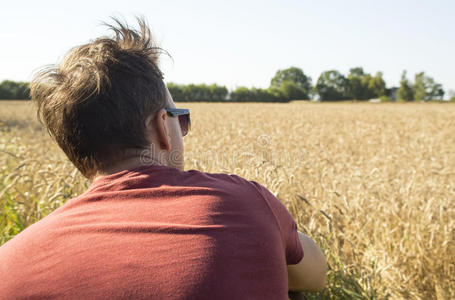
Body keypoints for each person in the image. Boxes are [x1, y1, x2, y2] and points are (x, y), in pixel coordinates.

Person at [0, 17, 326, 299]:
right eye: (179, 119)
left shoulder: (8, 264)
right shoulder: (244, 201)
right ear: (163, 128)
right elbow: (315, 276)